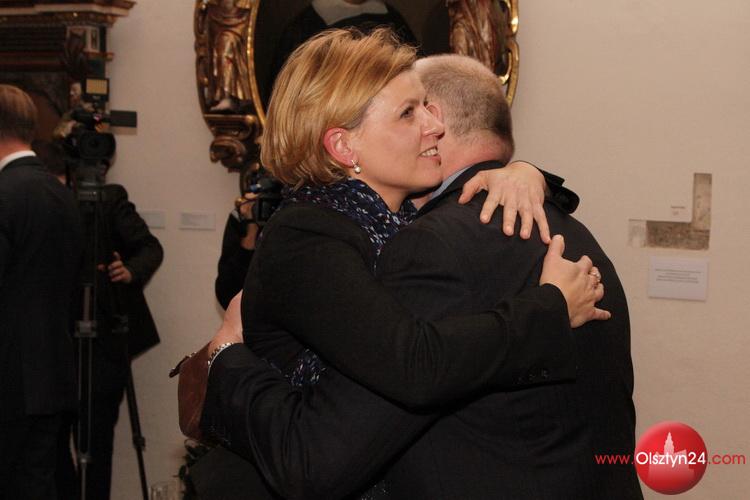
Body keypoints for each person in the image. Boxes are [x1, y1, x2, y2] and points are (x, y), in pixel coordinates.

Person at [200, 28, 609, 499]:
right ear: (343, 146)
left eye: (427, 106)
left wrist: (523, 172)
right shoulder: (308, 234)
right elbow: (414, 364)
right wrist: (550, 308)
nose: (435, 126)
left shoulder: (391, 222)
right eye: (409, 113)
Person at [33, 139, 164, 500]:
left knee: (96, 445)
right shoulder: (44, 206)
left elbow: (150, 248)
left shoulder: (109, 200)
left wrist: (130, 270)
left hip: (103, 345)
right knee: (53, 445)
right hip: (56, 345)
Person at [0, 85, 83, 500]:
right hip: (53, 371)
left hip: (8, 377)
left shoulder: (5, 193)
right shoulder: (61, 193)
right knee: (37, 485)